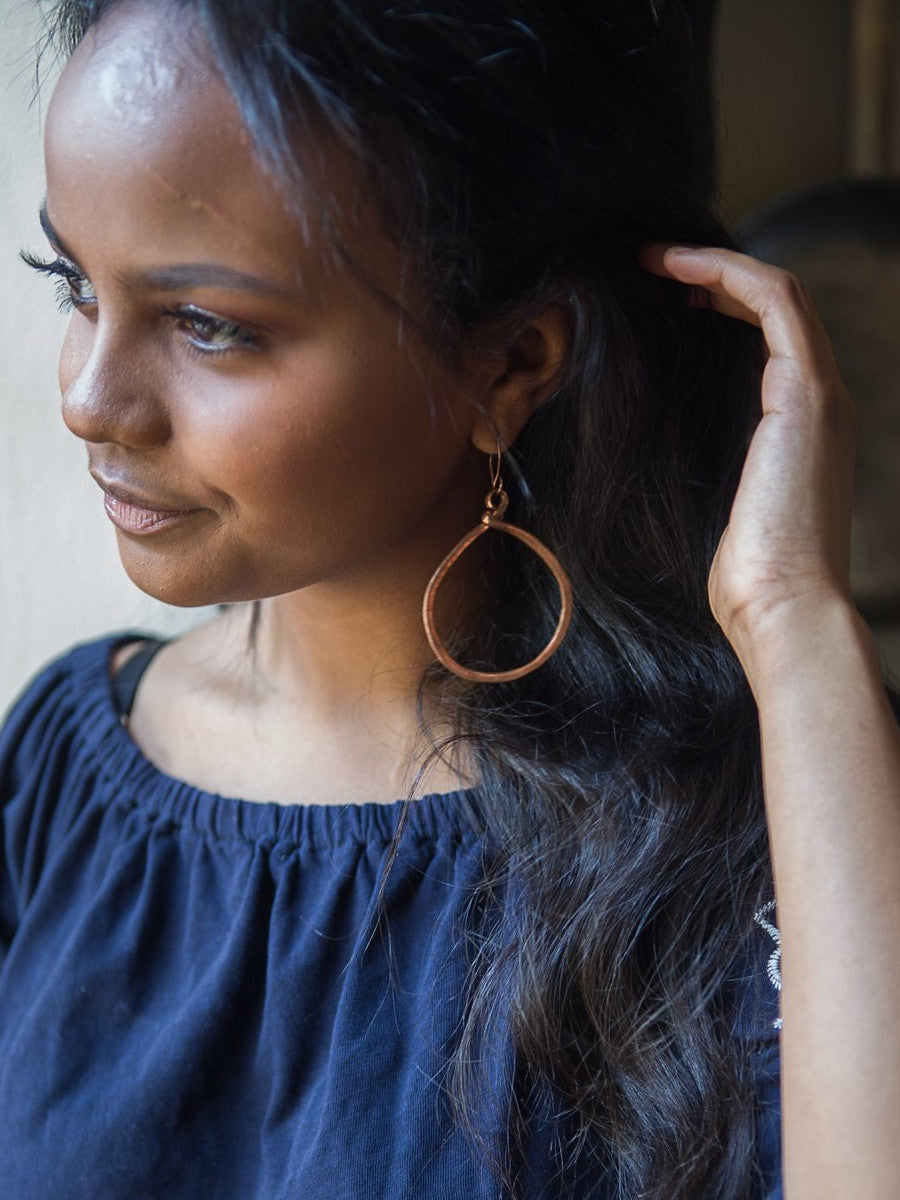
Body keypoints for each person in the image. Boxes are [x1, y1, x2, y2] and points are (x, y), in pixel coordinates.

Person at [2, 1, 899, 1197]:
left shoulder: (740, 829)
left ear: (513, 361)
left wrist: (795, 621)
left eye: (207, 325)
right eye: (73, 281)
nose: (92, 398)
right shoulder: (62, 770)